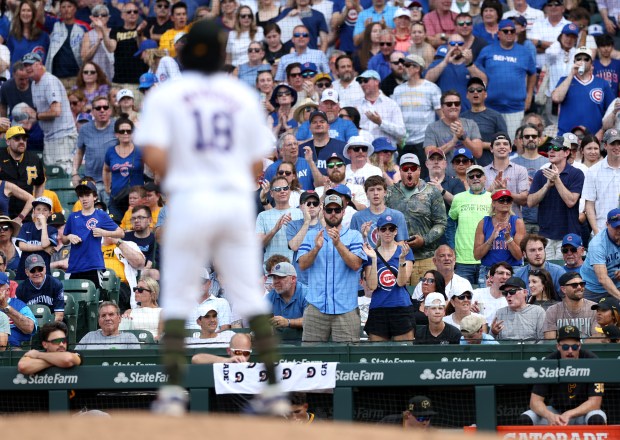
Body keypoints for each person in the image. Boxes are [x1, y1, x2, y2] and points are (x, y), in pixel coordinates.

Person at [138, 20, 288, 416]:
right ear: (223, 56)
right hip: (232, 202)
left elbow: (152, 158)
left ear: (184, 54)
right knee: (250, 297)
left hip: (190, 199)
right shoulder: (239, 94)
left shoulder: (168, 94)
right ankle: (273, 389)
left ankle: (171, 392)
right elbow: (258, 161)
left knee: (176, 297)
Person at [298, 194, 366, 342]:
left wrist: (338, 244)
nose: (333, 213)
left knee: (347, 361)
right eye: (329, 210)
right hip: (316, 307)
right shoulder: (311, 236)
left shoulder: (354, 236)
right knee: (311, 359)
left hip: (346, 308)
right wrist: (316, 248)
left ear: (343, 211)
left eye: (337, 209)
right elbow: (302, 265)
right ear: (323, 212)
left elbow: (356, 265)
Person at [519, 325, 607, 426]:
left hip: (583, 413)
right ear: (558, 347)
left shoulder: (592, 361)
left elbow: (595, 402)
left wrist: (570, 414)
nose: (570, 351)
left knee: (596, 418)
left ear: (579, 346)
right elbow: (535, 402)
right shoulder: (549, 362)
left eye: (574, 347)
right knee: (526, 418)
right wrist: (549, 416)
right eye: (565, 347)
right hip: (557, 412)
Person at [386, 153, 446, 283]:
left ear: (419, 170)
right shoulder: (390, 193)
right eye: (405, 169)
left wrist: (424, 240)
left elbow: (441, 223)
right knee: (401, 298)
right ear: (400, 171)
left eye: (413, 169)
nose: (409, 172)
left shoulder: (431, 192)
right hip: (397, 257)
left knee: (427, 296)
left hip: (426, 258)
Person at [474, 19, 536, 140]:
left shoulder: (524, 52)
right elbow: (476, 71)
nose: (509, 34)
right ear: (499, 33)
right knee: (490, 144)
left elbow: (533, 74)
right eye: (505, 31)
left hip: (515, 108)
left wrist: (529, 95)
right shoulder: (487, 50)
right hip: (490, 106)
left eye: (512, 31)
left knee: (513, 144)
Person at [527, 136, 584, 260]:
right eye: (550, 148)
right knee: (545, 276)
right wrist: (547, 185)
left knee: (566, 275)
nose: (551, 151)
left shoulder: (576, 174)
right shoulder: (541, 174)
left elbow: (571, 201)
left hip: (568, 236)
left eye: (556, 148)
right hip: (545, 235)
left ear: (567, 152)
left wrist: (556, 179)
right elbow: (530, 202)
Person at [361, 214, 415, 341]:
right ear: (378, 231)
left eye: (391, 229)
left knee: (404, 353)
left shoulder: (405, 251)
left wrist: (401, 259)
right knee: (377, 355)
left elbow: (402, 282)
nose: (387, 232)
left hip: (401, 307)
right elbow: (372, 286)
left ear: (396, 231)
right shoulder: (371, 253)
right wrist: (374, 259)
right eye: (384, 229)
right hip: (379, 308)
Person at [23, 52, 78, 174]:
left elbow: (56, 111)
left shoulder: (49, 81)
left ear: (40, 64)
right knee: (52, 174)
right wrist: (31, 121)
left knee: (63, 173)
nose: (27, 68)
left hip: (62, 136)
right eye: (25, 65)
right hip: (49, 138)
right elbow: (43, 112)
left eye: (31, 64)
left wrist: (36, 116)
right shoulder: (34, 84)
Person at [63, 180, 124, 288]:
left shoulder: (101, 215)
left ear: (95, 197)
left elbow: (121, 233)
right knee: (72, 298)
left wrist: (103, 232)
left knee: (95, 299)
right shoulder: (73, 216)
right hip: (74, 265)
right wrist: (69, 236)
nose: (84, 198)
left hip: (93, 265)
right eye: (81, 196)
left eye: (87, 195)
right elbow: (63, 239)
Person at [392, 53, 442, 173]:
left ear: (417, 68)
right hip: (403, 143)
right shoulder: (397, 90)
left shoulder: (431, 88)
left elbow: (442, 116)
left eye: (407, 65)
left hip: (424, 142)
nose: (403, 67)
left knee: (425, 175)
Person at [552, 47, 614, 138]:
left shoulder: (602, 83)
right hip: (566, 137)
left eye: (586, 59)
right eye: (579, 59)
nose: (582, 61)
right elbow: (556, 98)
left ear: (591, 63)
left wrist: (601, 131)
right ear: (574, 62)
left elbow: (612, 110)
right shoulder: (564, 80)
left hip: (592, 139)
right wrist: (571, 74)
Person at [448, 165, 491, 284]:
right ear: (467, 180)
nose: (475, 178)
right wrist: (452, 248)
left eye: (479, 175)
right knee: (462, 296)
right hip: (463, 260)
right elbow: (450, 224)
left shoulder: (492, 198)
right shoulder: (458, 198)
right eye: (471, 176)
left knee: (486, 296)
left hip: (487, 259)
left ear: (485, 178)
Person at [473, 189, 525, 286]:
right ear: (493, 203)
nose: (505, 203)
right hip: (488, 270)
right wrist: (491, 238)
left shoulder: (517, 222)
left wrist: (509, 238)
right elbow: (477, 255)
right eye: (501, 200)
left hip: (512, 269)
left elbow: (519, 256)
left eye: (508, 200)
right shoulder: (484, 222)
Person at [72, 94, 117, 200]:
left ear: (110, 110)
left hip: (112, 182)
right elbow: (79, 152)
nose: (102, 110)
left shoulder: (118, 127)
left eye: (105, 107)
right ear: (92, 111)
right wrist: (74, 173)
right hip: (91, 183)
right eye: (98, 108)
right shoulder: (85, 129)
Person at [103, 116, 144, 219]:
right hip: (116, 198)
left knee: (135, 228)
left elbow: (153, 168)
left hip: (136, 200)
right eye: (122, 131)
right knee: (115, 228)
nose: (126, 133)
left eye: (129, 131)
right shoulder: (110, 151)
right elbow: (106, 169)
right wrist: (107, 188)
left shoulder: (141, 151)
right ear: (116, 134)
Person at [423, 90, 483, 162]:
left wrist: (463, 137)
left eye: (457, 103)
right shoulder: (432, 128)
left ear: (460, 106)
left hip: (469, 172)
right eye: (449, 104)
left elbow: (478, 153)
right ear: (442, 107)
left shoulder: (471, 124)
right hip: (444, 173)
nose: (453, 106)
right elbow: (430, 156)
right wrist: (453, 142)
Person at [0, 125, 45, 219]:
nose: (21, 142)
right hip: (3, 212)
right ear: (8, 141)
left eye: (24, 139)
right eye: (17, 138)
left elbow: (40, 182)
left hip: (26, 213)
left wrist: (36, 203)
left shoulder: (34, 159)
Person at [511, 124, 548, 234]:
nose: (531, 139)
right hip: (520, 220)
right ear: (521, 140)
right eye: (527, 137)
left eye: (534, 136)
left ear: (539, 139)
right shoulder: (512, 163)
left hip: (543, 220)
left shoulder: (548, 163)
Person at [583, 128, 620, 236]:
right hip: (602, 231)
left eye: (619, 143)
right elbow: (589, 205)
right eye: (613, 143)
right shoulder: (593, 171)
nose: (617, 147)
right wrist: (596, 232)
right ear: (605, 145)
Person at [355, 69, 406, 145]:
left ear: (376, 81)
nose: (362, 84)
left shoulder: (391, 104)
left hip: (386, 152)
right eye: (360, 82)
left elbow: (402, 132)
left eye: (365, 80)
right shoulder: (356, 105)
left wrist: (381, 123)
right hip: (364, 150)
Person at [581, 208, 620, 302]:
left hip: (616, 283)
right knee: (592, 315)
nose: (619, 230)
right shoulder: (597, 244)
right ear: (607, 224)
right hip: (593, 288)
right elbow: (602, 278)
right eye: (616, 227)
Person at [544, 272, 596, 340]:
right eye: (574, 285)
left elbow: (597, 339)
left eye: (582, 284)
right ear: (563, 289)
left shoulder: (594, 308)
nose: (579, 287)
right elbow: (550, 341)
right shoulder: (552, 311)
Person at [15, 196, 57, 280]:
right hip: (24, 271)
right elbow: (22, 246)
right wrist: (42, 248)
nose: (41, 212)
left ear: (50, 213)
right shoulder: (26, 226)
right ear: (33, 212)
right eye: (38, 209)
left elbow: (45, 243)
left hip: (43, 273)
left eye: (45, 210)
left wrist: (44, 224)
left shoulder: (52, 230)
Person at [491, 276, 545, 342]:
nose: (508, 295)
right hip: (506, 350)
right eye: (505, 293)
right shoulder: (500, 313)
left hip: (529, 350)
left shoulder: (537, 311)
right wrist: (493, 333)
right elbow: (490, 342)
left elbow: (543, 339)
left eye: (512, 292)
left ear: (525, 292)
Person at [17, 322, 81, 375]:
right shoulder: (34, 356)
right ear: (45, 344)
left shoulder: (73, 353)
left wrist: (38, 355)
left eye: (63, 340)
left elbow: (68, 359)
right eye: (56, 341)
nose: (61, 344)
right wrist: (58, 361)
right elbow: (22, 366)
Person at [16, 254, 64, 322]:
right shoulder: (21, 288)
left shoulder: (56, 284)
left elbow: (59, 315)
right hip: (30, 323)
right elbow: (20, 315)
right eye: (32, 270)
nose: (37, 273)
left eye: (40, 269)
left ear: (45, 269)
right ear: (26, 272)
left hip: (51, 323)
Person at [75, 301, 141, 350]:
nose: (107, 318)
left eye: (111, 314)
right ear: (99, 321)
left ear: (119, 319)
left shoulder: (129, 338)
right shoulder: (89, 336)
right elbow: (75, 356)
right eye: (103, 315)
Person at [265, 262, 307, 330]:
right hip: (279, 339)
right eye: (274, 278)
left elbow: (312, 321)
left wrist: (288, 322)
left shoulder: (306, 294)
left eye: (280, 277)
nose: (275, 281)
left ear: (293, 279)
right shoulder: (270, 297)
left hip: (303, 339)